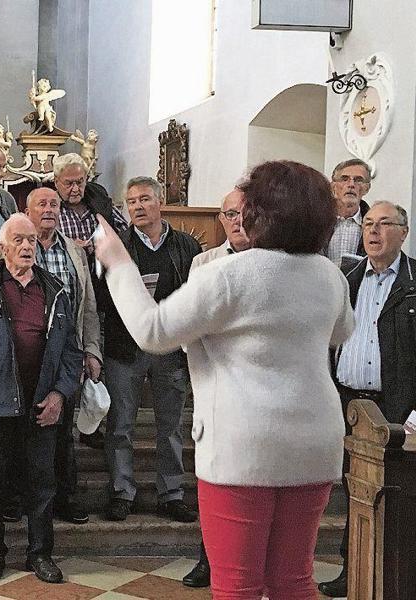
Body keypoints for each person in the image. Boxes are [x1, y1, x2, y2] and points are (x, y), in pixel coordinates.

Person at [93, 160, 354, 599]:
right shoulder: (328, 274)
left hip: (244, 445)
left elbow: (153, 331)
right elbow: (341, 331)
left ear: (262, 212)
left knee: (237, 585)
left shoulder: (228, 274)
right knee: (293, 580)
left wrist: (118, 261)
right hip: (314, 442)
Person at [0, 214, 83, 584]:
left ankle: (40, 554)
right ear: (3, 247)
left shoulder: (55, 290)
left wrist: (59, 394)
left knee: (42, 483)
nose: (26, 247)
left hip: (41, 403)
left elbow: (72, 352)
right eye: (18, 240)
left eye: (31, 241)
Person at [319, 201, 416, 598]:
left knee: (397, 496)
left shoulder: (414, 280)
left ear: (403, 232)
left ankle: (396, 576)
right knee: (353, 489)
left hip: (394, 408)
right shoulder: (348, 276)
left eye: (384, 224)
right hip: (346, 404)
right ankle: (354, 567)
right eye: (368, 225)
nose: (373, 232)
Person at [102, 176, 200, 524]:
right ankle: (121, 491)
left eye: (144, 199)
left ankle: (171, 493)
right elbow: (102, 298)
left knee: (170, 426)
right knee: (120, 424)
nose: (137, 207)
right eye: (131, 202)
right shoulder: (118, 245)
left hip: (170, 348)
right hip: (124, 348)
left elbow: (196, 296)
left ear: (160, 202)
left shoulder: (186, 246)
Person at [181, 187, 252, 590]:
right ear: (221, 220)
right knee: (211, 475)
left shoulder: (273, 263)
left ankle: (243, 563)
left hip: (257, 390)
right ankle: (207, 559)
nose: (238, 220)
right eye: (230, 214)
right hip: (214, 385)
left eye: (244, 212)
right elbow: (194, 324)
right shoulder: (203, 263)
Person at [21, 187, 101, 525]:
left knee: (62, 429)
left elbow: (89, 305)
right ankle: (21, 496)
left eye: (54, 204)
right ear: (28, 211)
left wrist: (92, 349)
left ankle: (64, 497)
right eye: (42, 204)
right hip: (27, 350)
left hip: (66, 350)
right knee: (24, 427)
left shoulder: (73, 250)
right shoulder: (17, 245)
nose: (50, 209)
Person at [52, 152, 128, 450]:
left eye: (80, 182)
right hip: (67, 292)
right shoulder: (52, 208)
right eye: (68, 183)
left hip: (102, 286)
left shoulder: (100, 205)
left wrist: (102, 245)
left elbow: (124, 233)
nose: (75, 189)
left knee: (96, 357)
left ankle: (91, 424)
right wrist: (73, 247)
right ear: (56, 181)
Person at [323, 158, 372, 265]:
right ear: (333, 186)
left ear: (367, 188)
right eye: (344, 179)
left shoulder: (374, 225)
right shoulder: (316, 220)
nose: (351, 184)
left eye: (358, 180)